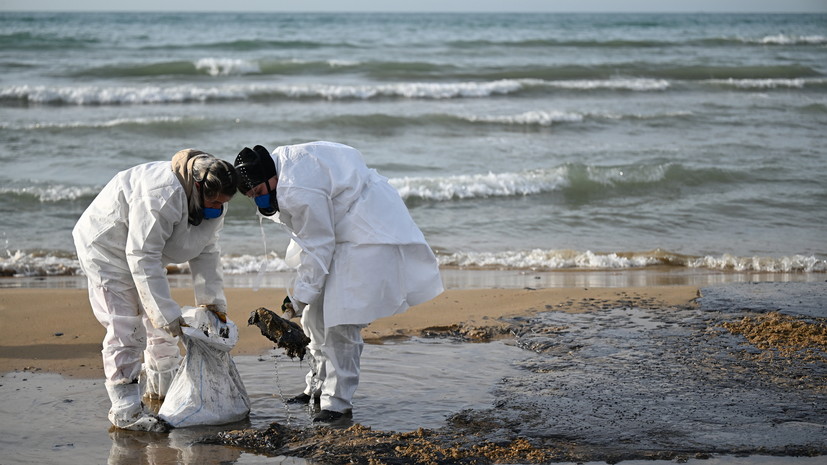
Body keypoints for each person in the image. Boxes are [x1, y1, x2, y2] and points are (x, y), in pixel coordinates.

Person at [234, 141, 444, 423]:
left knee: (340, 318)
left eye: (259, 192)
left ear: (270, 177)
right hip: (337, 220)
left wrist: (298, 298)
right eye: (251, 196)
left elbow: (319, 245)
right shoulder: (278, 172)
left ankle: (337, 403)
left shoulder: (298, 189)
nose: (258, 199)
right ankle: (316, 388)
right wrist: (300, 299)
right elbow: (313, 243)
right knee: (313, 319)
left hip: (364, 224)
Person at [72, 149, 237, 432]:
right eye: (214, 201)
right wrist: (166, 314)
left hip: (146, 252)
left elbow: (207, 250)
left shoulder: (213, 200)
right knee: (126, 326)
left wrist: (213, 306)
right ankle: (125, 410)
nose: (217, 208)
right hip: (107, 248)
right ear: (197, 187)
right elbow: (141, 254)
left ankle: (162, 394)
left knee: (159, 325)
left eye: (223, 203)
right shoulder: (162, 194)